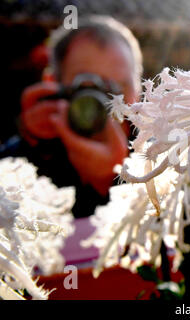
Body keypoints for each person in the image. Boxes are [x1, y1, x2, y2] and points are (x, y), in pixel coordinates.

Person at [2, 15, 143, 218]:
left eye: (119, 88)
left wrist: (113, 179)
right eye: (87, 86)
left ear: (137, 92)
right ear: (52, 84)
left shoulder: (163, 159)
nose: (106, 103)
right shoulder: (15, 167)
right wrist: (30, 148)